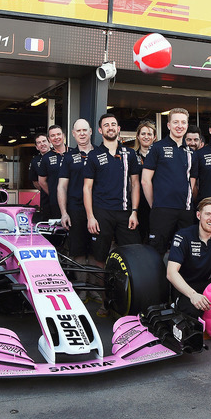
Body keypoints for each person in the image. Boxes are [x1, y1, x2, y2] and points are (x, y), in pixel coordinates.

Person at [83, 114, 142, 315]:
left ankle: (132, 304)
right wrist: (90, 216)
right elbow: (87, 188)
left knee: (132, 257)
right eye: (106, 125)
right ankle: (105, 301)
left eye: (113, 124)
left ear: (118, 128)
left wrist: (134, 212)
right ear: (100, 130)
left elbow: (135, 183)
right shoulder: (93, 155)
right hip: (101, 213)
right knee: (99, 258)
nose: (110, 127)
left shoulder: (130, 154)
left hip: (126, 213)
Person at [142, 108, 195, 254]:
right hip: (162, 210)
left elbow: (192, 181)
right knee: (156, 252)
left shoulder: (190, 152)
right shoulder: (157, 147)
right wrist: (155, 204)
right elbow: (145, 180)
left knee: (184, 253)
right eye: (176, 122)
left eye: (183, 122)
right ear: (169, 125)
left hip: (185, 211)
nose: (180, 126)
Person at [58, 119, 95, 270]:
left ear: (90, 131)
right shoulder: (68, 157)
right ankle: (82, 290)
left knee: (96, 251)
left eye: (84, 130)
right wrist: (64, 213)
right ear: (73, 134)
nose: (82, 133)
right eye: (78, 131)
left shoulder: (100, 153)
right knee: (78, 251)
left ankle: (95, 290)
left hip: (97, 208)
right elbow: (61, 187)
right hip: (76, 209)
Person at [38, 124, 68, 220]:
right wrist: (54, 195)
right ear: (49, 139)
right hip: (55, 204)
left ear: (63, 135)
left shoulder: (74, 153)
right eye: (53, 135)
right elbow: (41, 182)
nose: (56, 137)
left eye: (58, 134)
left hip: (75, 202)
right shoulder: (46, 158)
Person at [134, 120, 156, 243]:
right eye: (143, 134)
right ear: (138, 136)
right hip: (138, 203)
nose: (146, 137)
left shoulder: (159, 156)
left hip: (155, 202)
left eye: (149, 134)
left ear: (154, 137)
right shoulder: (132, 156)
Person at [28, 133, 51, 221]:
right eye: (39, 143)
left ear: (49, 142)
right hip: (45, 200)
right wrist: (48, 192)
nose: (42, 144)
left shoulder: (59, 156)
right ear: (37, 147)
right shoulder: (35, 161)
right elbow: (35, 181)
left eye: (44, 141)